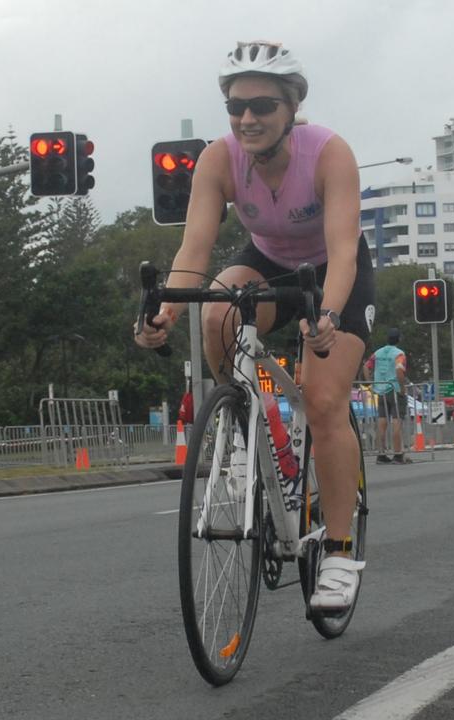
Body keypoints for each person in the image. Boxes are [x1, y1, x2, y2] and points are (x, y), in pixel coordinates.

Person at [133, 41, 371, 612]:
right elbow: (195, 247)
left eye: (262, 105)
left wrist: (329, 318)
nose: (247, 118)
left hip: (332, 272)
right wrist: (164, 309)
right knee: (217, 308)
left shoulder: (330, 154)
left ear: (291, 108)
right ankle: (246, 433)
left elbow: (342, 254)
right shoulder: (218, 159)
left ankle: (339, 554)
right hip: (267, 260)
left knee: (322, 399)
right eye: (236, 107)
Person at [363, 327, 409, 465]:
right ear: (399, 339)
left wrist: (370, 384)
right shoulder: (399, 354)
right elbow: (399, 370)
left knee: (381, 423)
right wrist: (402, 388)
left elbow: (366, 366)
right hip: (394, 389)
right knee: (396, 422)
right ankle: (397, 454)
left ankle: (381, 454)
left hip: (380, 390)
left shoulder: (377, 353)